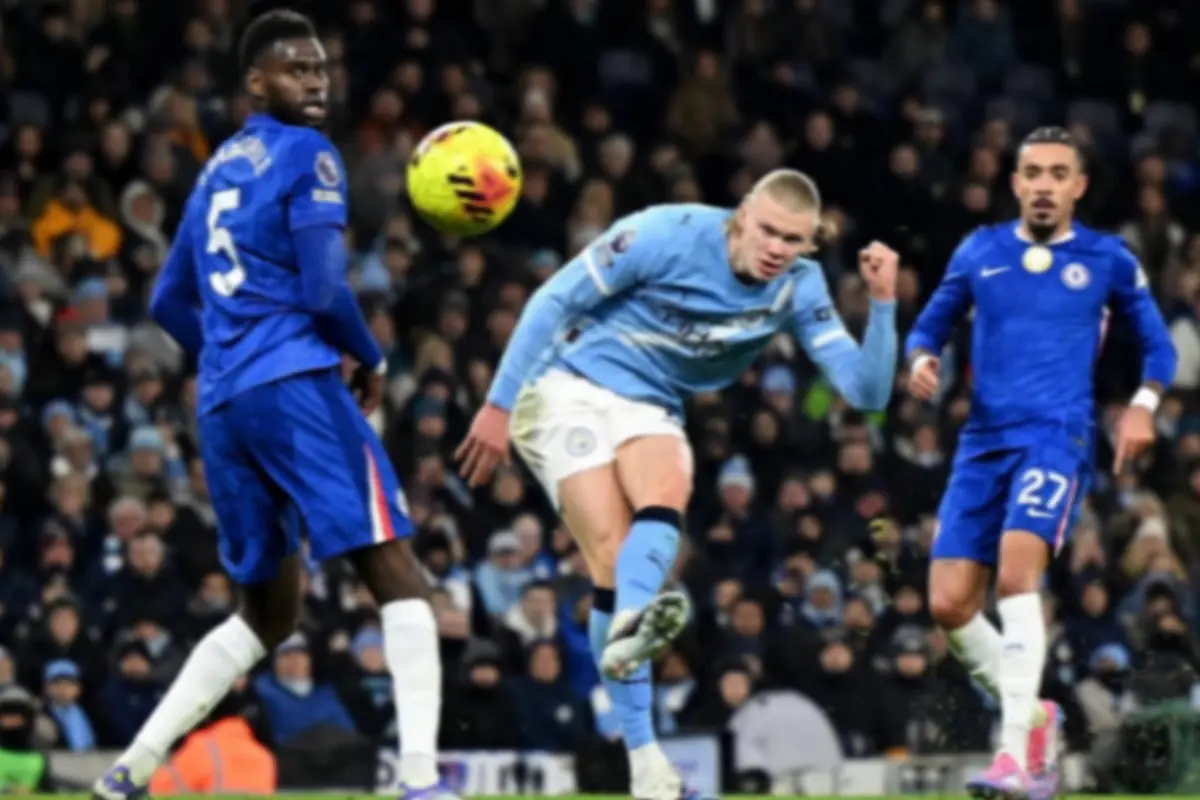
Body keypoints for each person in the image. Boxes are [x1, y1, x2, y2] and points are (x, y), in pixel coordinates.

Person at [92, 11, 450, 800]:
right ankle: (422, 783)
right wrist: (374, 353)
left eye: (320, 70)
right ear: (254, 82)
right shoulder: (308, 156)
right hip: (292, 384)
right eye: (296, 70)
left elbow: (166, 299)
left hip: (224, 404)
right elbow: (324, 290)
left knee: (269, 613)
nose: (315, 82)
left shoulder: (216, 170)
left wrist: (232, 354)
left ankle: (129, 772)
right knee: (398, 571)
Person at [457, 170, 899, 800]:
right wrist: (498, 405)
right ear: (742, 214)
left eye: (793, 240)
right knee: (611, 556)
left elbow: (868, 391)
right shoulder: (661, 233)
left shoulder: (799, 286)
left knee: (668, 490)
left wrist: (882, 306)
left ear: (810, 242)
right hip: (562, 385)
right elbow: (553, 300)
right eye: (768, 230)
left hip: (651, 402)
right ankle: (642, 734)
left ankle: (641, 715)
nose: (777, 247)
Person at [905, 126, 1177, 800]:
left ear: (1078, 186)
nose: (1046, 184)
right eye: (1034, 172)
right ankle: (1036, 717)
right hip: (982, 442)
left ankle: (1015, 760)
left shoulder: (1108, 258)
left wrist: (1142, 404)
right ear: (1016, 183)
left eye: (1060, 172)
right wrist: (921, 357)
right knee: (946, 605)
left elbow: (1159, 348)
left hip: (1056, 436)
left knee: (1017, 578)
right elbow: (929, 322)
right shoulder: (980, 250)